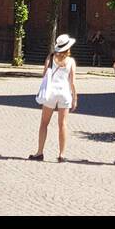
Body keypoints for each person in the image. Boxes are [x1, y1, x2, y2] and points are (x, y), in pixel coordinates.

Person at [30, 34, 77, 162]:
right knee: (62, 124)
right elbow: (72, 81)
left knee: (44, 123)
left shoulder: (50, 58)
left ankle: (39, 152)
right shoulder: (71, 61)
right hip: (65, 93)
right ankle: (61, 154)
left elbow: (45, 74)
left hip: (51, 93)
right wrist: (75, 97)